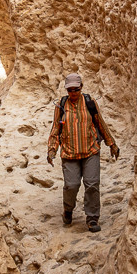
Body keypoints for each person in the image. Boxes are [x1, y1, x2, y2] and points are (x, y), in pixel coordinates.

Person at [47, 73, 119, 232]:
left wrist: (111, 143)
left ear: (81, 88)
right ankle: (68, 209)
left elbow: (100, 123)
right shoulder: (61, 105)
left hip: (90, 151)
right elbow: (55, 129)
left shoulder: (89, 103)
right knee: (71, 185)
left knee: (92, 184)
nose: (73, 93)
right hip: (69, 154)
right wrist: (52, 149)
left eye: (76, 89)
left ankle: (92, 218)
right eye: (70, 90)